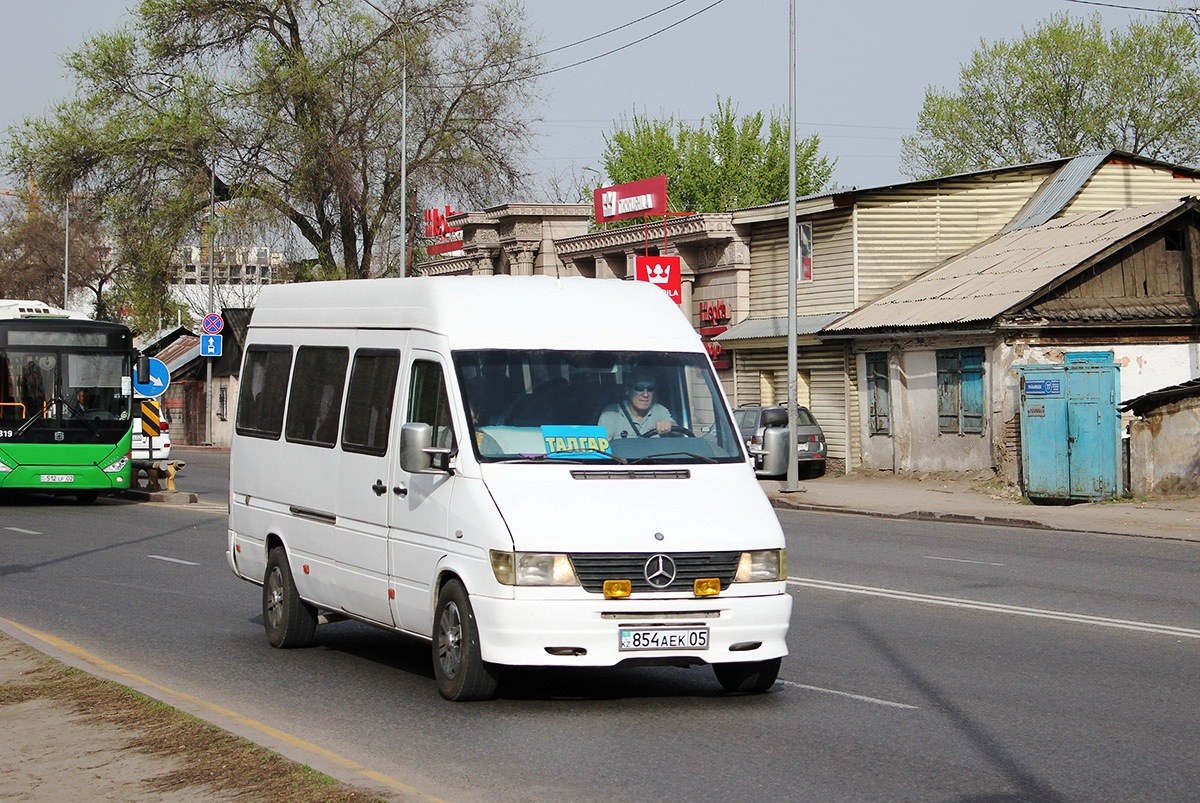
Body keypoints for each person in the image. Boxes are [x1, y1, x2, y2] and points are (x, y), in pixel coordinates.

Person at [597, 370, 676, 439]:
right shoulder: (611, 413)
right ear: (627, 390)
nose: (645, 394)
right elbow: (603, 447)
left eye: (650, 389)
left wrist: (669, 425)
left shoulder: (659, 410)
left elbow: (680, 432)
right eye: (639, 388)